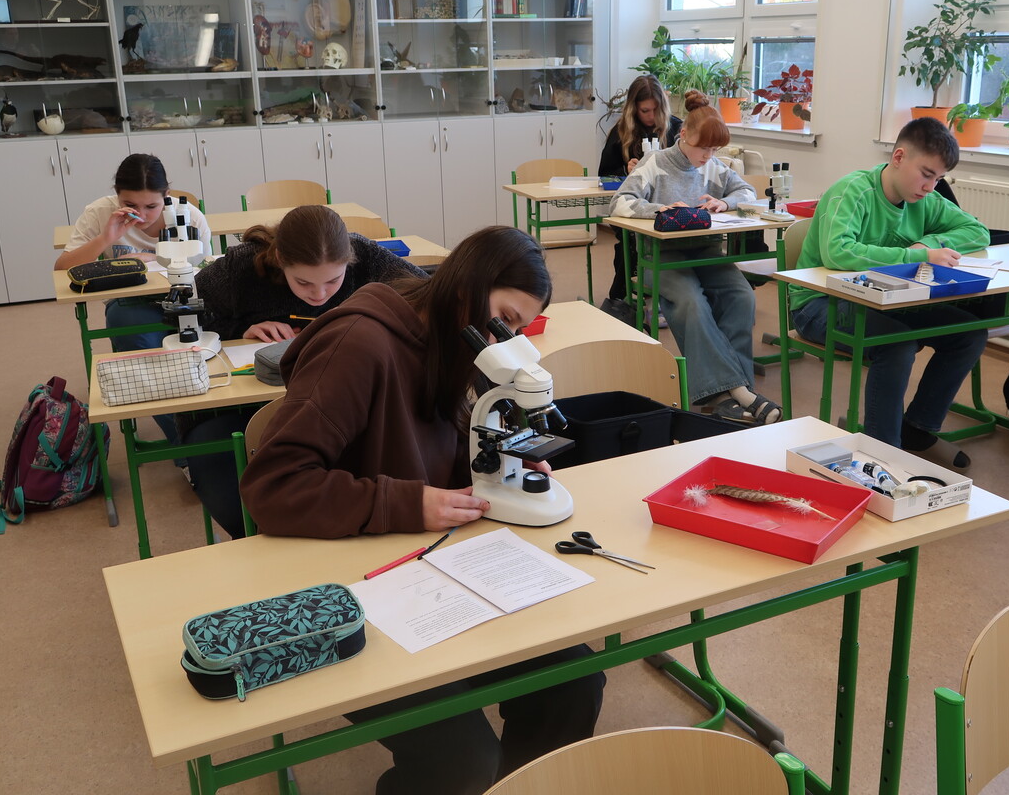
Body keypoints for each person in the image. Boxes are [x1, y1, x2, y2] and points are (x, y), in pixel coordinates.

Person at [240, 225, 605, 795]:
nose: (506, 338)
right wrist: (407, 502)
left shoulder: (454, 338)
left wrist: (500, 462)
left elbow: (436, 442)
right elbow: (272, 487)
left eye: (519, 328)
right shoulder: (359, 344)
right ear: (469, 287)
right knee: (463, 761)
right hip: (354, 583)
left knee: (574, 683)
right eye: (505, 319)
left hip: (434, 566)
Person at [181, 204, 426, 539]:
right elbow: (186, 312)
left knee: (370, 477)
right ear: (280, 259)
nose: (320, 294)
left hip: (338, 405)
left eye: (334, 280)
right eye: (303, 282)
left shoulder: (366, 256)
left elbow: (429, 297)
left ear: (349, 260)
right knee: (237, 500)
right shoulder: (241, 267)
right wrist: (240, 328)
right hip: (241, 404)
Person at [789, 117, 990, 469]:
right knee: (896, 344)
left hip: (887, 300)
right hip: (821, 303)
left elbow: (977, 232)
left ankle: (917, 429)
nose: (930, 187)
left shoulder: (924, 199)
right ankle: (883, 453)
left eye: (939, 178)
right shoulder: (852, 191)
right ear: (898, 157)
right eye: (926, 174)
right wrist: (918, 256)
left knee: (969, 333)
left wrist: (929, 242)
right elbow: (838, 253)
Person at [609, 90, 781, 425]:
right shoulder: (654, 163)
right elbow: (619, 202)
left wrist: (725, 202)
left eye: (715, 150)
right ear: (684, 134)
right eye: (703, 147)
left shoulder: (713, 167)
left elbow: (747, 191)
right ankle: (735, 394)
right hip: (659, 257)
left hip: (705, 254)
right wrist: (660, 210)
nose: (708, 156)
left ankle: (733, 392)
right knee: (692, 302)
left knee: (741, 296)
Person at [55, 153, 211, 449]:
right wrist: (106, 238)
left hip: (182, 296)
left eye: (151, 206)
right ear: (116, 196)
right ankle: (187, 448)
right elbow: (62, 268)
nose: (141, 215)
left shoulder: (187, 216)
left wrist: (153, 258)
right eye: (130, 205)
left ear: (166, 195)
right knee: (145, 354)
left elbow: (205, 272)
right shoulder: (99, 212)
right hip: (130, 304)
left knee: (208, 342)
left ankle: (211, 430)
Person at [597, 75, 683, 315]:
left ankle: (658, 296)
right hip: (632, 208)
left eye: (656, 110)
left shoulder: (676, 128)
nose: (651, 116)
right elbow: (604, 174)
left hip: (669, 203)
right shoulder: (621, 132)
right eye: (645, 111)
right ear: (634, 108)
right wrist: (626, 170)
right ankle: (622, 297)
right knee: (631, 243)